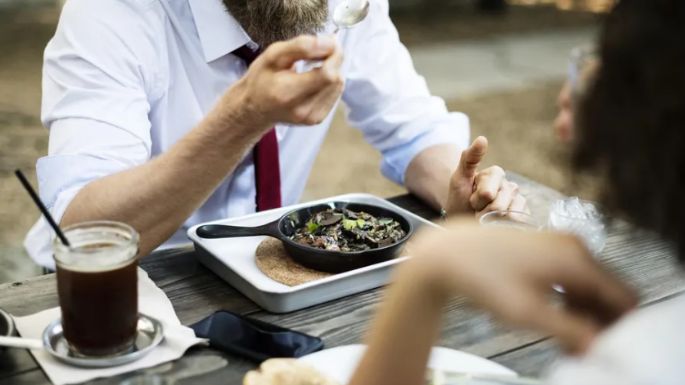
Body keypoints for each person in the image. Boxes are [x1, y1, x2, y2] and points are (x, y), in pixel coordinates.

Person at [25, 0, 526, 268]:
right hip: (131, 290)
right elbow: (82, 236)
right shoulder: (112, 14)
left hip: (276, 275)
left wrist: (459, 188)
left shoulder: (347, 6)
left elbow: (412, 129)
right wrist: (240, 118)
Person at [347, 0, 685, 384]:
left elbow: (407, 123)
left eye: (604, 65)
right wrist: (459, 190)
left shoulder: (626, 367)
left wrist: (428, 272)